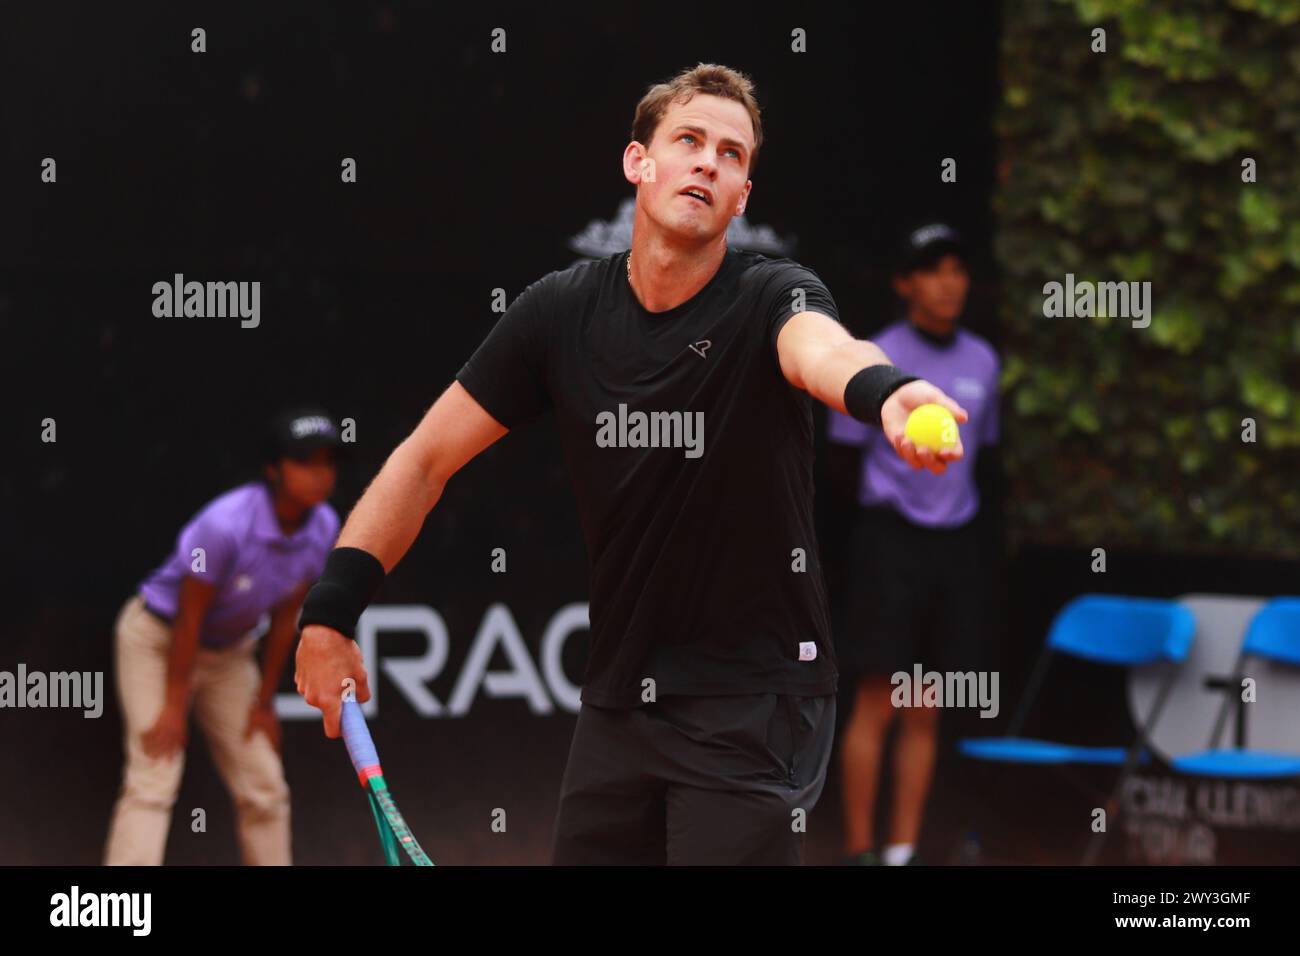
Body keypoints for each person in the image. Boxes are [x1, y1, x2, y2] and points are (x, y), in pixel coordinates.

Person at [294, 63, 968, 865]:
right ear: (637, 163)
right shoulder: (557, 313)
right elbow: (423, 460)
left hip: (756, 702)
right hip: (622, 701)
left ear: (743, 196)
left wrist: (884, 389)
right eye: (688, 140)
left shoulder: (773, 297)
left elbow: (824, 350)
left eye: (732, 154)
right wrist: (331, 612)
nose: (709, 162)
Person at [828, 223, 1001, 866]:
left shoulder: (985, 360)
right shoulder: (873, 356)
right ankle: (858, 852)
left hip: (952, 550)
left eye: (958, 268)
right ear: (905, 284)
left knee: (924, 704)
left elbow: (983, 460)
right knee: (877, 699)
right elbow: (842, 468)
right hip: (887, 545)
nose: (949, 281)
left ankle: (900, 854)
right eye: (933, 269)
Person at [104, 407, 343, 865]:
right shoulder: (222, 526)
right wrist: (175, 704)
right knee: (154, 776)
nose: (320, 475)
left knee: (265, 785)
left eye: (328, 463)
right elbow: (188, 618)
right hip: (158, 640)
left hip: (229, 656)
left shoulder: (325, 527)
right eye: (306, 462)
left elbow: (286, 613)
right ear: (273, 470)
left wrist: (264, 701)